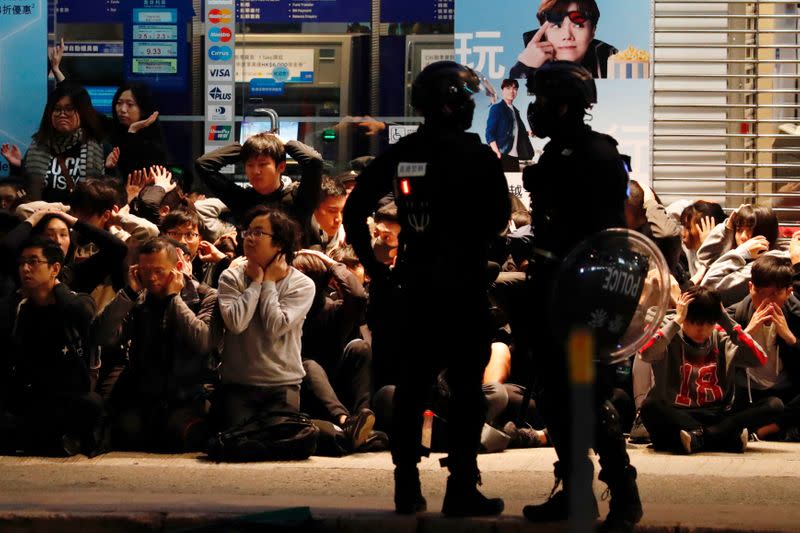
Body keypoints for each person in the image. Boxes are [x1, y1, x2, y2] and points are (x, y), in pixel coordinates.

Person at [343, 61, 510, 517]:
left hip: (413, 287)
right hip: (464, 289)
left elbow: (353, 211)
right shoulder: (477, 156)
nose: (474, 106)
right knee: (466, 390)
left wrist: (379, 273)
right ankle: (461, 487)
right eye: (468, 98)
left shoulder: (404, 153)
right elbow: (498, 220)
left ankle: (406, 486)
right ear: (451, 103)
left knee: (413, 387)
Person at [520, 61, 640, 532]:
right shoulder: (561, 152)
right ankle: (575, 492)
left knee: (586, 396)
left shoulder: (594, 154)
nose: (536, 109)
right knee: (555, 397)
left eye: (544, 100)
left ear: (565, 104)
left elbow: (598, 232)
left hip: (586, 298)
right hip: (555, 291)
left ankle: (624, 496)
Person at [92, 238, 220, 451]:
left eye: (159, 271)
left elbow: (203, 342)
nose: (151, 278)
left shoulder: (207, 296)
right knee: (126, 435)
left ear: (178, 268)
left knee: (176, 437)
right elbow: (100, 335)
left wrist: (174, 299)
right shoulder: (137, 298)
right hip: (145, 392)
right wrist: (128, 293)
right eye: (144, 271)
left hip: (188, 392)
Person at [639, 287, 782, 454]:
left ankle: (700, 437)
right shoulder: (667, 331)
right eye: (695, 322)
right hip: (678, 414)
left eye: (709, 323)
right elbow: (646, 352)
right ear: (684, 317)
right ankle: (721, 438)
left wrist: (725, 319)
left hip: (716, 415)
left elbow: (759, 358)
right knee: (650, 406)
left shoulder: (720, 335)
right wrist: (677, 320)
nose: (702, 330)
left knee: (774, 405)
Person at [211, 206, 315, 433]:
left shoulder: (302, 284)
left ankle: (330, 431)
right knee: (238, 441)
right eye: (247, 232)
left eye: (258, 233)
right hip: (239, 385)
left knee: (280, 438)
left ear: (279, 244)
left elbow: (275, 326)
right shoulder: (231, 277)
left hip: (282, 384)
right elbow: (236, 323)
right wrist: (256, 284)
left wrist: (268, 283)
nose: (249, 237)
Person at [0, 238, 103, 456]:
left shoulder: (76, 302)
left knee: (90, 405)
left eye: (34, 262)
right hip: (35, 396)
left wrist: (59, 290)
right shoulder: (21, 309)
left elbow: (84, 319)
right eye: (22, 262)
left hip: (70, 396)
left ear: (55, 268)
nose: (25, 268)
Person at [194, 132, 323, 245]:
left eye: (263, 164)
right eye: (250, 165)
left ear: (281, 167)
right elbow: (204, 165)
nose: (255, 171)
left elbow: (314, 160)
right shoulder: (241, 200)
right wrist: (247, 148)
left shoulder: (298, 198)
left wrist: (284, 144)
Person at [1, 82, 114, 203]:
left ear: (83, 112)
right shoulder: (38, 146)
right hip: (41, 217)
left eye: (69, 109)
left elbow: (110, 195)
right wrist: (17, 167)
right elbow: (24, 190)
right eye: (57, 109)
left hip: (82, 219)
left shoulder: (99, 146)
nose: (62, 114)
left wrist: (109, 170)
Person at [729, 255, 800, 441]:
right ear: (750, 287)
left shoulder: (796, 315)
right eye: (760, 292)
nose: (766, 302)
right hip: (746, 395)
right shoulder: (734, 314)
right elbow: (719, 360)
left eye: (775, 294)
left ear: (788, 292)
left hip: (786, 395)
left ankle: (764, 431)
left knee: (779, 405)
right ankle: (778, 429)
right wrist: (747, 333)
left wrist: (791, 338)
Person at [509, 0, 617, 79]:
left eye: (578, 25)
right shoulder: (527, 66)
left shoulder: (612, 60)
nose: (567, 35)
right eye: (556, 26)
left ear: (593, 31)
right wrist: (523, 68)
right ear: (544, 32)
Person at [107, 83, 170, 181]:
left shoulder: (152, 143)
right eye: (119, 103)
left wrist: (133, 130)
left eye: (130, 104)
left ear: (143, 109)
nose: (122, 110)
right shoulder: (109, 133)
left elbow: (132, 172)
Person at [486, 79, 534, 172]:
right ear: (502, 90)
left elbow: (515, 130)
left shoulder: (515, 111)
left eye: (514, 88)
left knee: (513, 185)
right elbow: (489, 133)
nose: (512, 91)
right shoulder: (497, 108)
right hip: (502, 154)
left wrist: (529, 133)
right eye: (508, 88)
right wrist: (496, 152)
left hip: (514, 157)